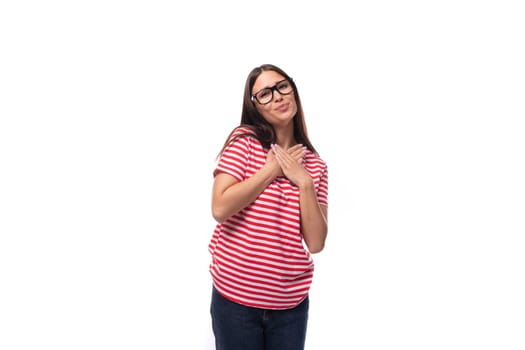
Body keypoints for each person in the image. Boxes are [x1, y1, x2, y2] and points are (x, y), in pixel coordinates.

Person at [208, 64, 328, 350]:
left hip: (289, 306)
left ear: (293, 91)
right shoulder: (244, 144)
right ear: (256, 107)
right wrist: (270, 171)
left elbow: (316, 242)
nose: (277, 96)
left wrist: (305, 183)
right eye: (264, 94)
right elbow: (220, 207)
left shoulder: (316, 166)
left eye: (282, 86)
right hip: (235, 301)